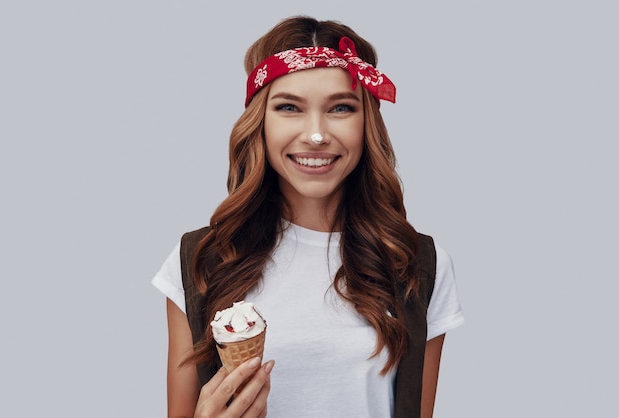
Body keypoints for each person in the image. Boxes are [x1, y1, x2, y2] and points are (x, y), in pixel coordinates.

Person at [152, 15, 464, 418]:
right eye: (289, 108)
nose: (316, 134)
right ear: (259, 122)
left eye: (340, 107)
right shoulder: (198, 260)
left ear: (366, 121)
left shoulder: (417, 264)